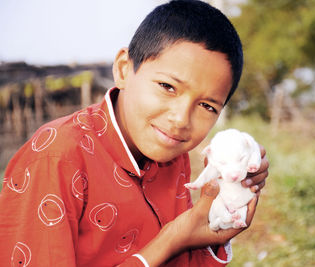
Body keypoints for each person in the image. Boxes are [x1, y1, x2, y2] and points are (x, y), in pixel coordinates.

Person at [0, 0, 269, 266]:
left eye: (207, 105)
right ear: (123, 69)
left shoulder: (171, 153)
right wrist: (171, 240)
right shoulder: (56, 158)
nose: (180, 119)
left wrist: (217, 210)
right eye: (167, 86)